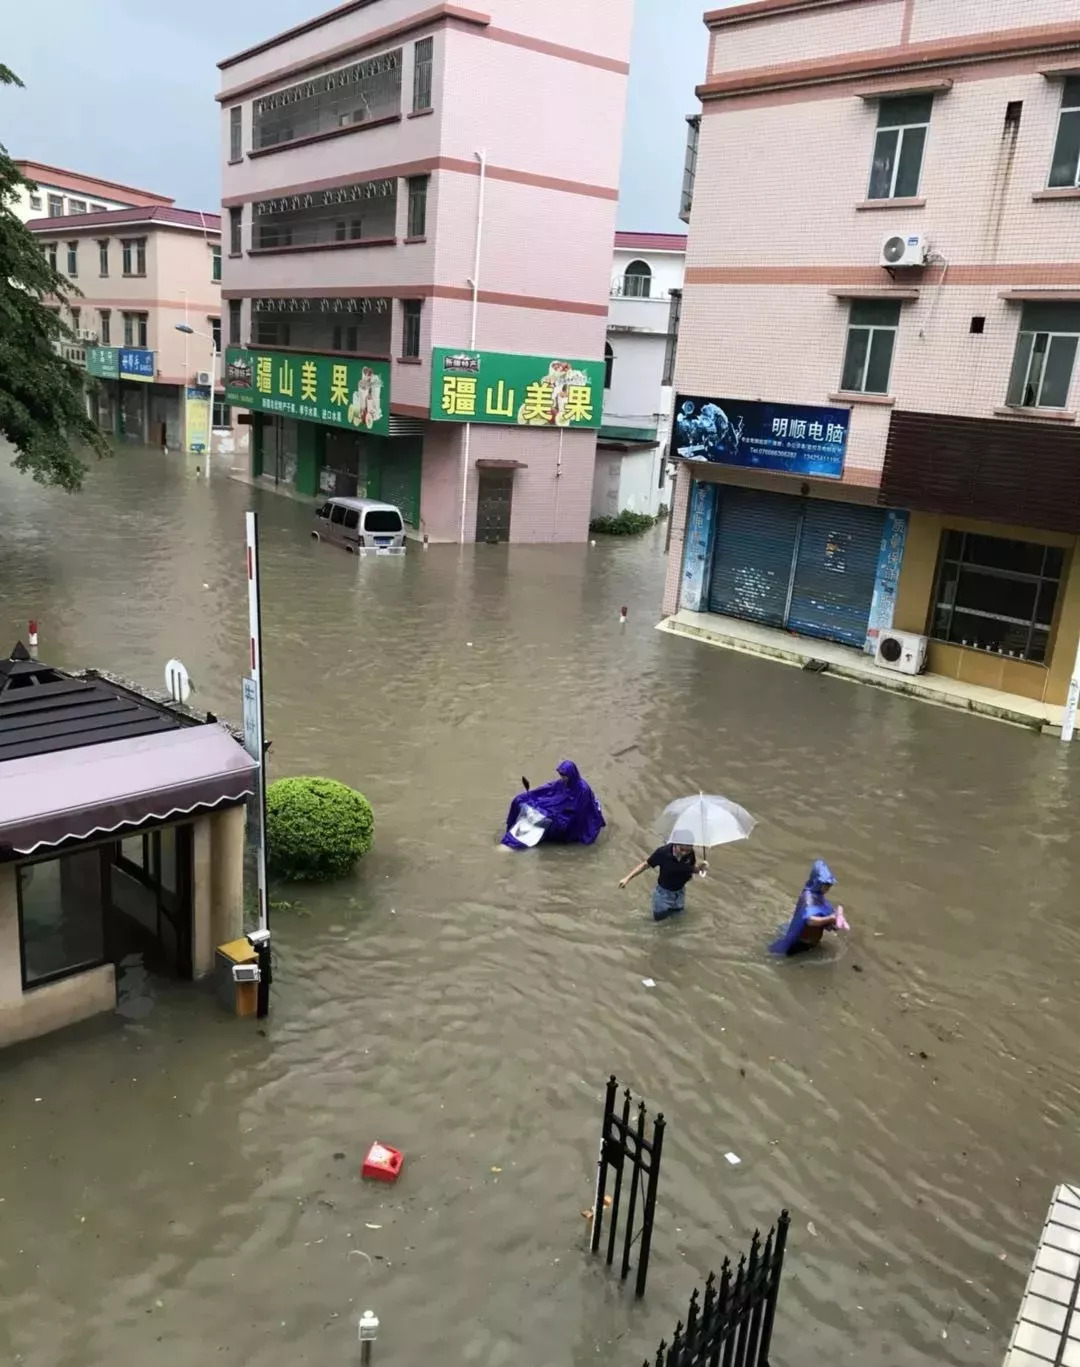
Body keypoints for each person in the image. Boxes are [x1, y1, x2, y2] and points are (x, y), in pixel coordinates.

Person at [501, 760, 605, 850]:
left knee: (555, 822)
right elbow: (548, 789)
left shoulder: (583, 790)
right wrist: (530, 796)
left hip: (574, 817)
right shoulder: (562, 783)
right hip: (561, 807)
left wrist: (561, 817)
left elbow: (579, 812)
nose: (563, 778)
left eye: (565, 776)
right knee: (521, 801)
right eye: (562, 776)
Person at [619, 831, 705, 921]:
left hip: (679, 893)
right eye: (682, 849)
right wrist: (627, 878)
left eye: (688, 850)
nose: (684, 853)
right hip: (663, 894)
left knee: (677, 919)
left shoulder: (690, 854)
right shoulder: (662, 853)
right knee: (660, 923)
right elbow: (645, 865)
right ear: (675, 844)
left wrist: (700, 869)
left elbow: (690, 869)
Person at [770, 859, 842, 956]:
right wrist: (829, 919)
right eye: (825, 885)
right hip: (800, 944)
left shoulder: (820, 897)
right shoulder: (807, 897)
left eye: (829, 885)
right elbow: (809, 920)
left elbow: (823, 916)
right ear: (817, 882)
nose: (828, 888)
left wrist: (833, 923)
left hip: (812, 943)